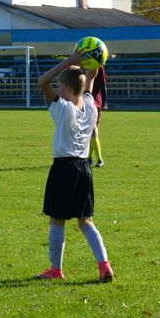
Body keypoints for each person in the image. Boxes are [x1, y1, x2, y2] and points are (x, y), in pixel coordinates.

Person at [35, 51, 114, 283]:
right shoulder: (90, 106)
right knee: (86, 222)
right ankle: (104, 265)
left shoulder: (63, 108)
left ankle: (56, 270)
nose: (57, 90)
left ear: (67, 89)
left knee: (57, 220)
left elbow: (42, 81)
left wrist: (69, 61)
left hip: (63, 169)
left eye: (60, 87)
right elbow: (89, 81)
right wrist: (95, 65)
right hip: (84, 169)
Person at [87, 65, 107, 167]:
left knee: (93, 129)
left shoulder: (98, 66)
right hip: (82, 101)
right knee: (91, 130)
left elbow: (103, 84)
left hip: (95, 101)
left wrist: (105, 102)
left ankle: (94, 159)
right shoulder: (79, 64)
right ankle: (92, 158)